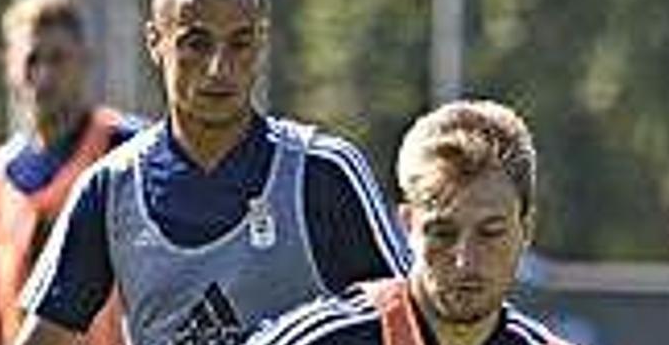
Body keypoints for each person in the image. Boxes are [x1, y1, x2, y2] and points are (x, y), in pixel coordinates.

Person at [14, 0, 410, 345]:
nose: (219, 68)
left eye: (239, 43)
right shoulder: (110, 188)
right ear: (155, 41)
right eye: (196, 44)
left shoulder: (323, 171)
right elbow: (45, 335)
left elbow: (407, 317)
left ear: (261, 42)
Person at [246, 100, 575, 345]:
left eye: (490, 233)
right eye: (443, 233)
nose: (465, 260)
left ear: (526, 230)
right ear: (407, 226)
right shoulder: (321, 339)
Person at [0, 0, 146, 345]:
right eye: (32, 59)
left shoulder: (127, 149)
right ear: (8, 64)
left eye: (58, 59)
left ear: (84, 61)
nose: (45, 74)